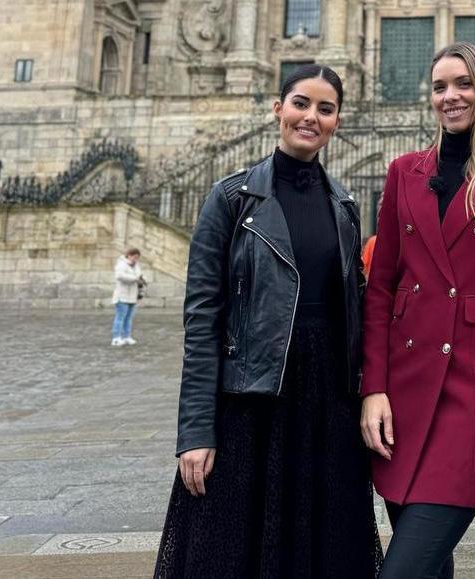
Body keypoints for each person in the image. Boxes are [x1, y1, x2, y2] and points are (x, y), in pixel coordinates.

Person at [155, 65, 382, 577]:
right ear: (278, 109)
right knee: (235, 548)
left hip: (327, 402)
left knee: (325, 546)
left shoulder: (345, 206)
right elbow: (202, 319)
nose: (311, 117)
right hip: (251, 401)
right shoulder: (230, 199)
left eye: (325, 109)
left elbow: (357, 309)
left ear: (337, 121)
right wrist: (195, 431)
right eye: (301, 103)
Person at [361, 42, 475, 579]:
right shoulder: (404, 172)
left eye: (463, 84)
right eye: (440, 86)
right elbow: (381, 289)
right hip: (405, 393)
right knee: (428, 566)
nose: (451, 96)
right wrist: (373, 389)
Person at [111, 248, 142, 346]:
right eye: (134, 257)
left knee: (129, 318)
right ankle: (116, 338)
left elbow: (139, 275)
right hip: (122, 296)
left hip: (132, 296)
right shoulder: (121, 264)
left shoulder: (136, 266)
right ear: (129, 255)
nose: (135, 259)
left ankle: (126, 336)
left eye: (137, 258)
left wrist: (140, 279)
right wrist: (134, 279)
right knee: (120, 317)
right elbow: (119, 276)